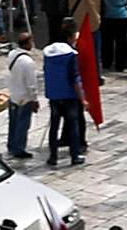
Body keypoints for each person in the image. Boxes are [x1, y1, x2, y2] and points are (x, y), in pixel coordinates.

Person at [44, 36, 87, 168]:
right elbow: (75, 80)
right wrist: (83, 99)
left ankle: (53, 156)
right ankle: (75, 155)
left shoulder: (49, 59)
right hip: (69, 97)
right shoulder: (70, 59)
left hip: (54, 96)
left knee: (54, 127)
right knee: (73, 126)